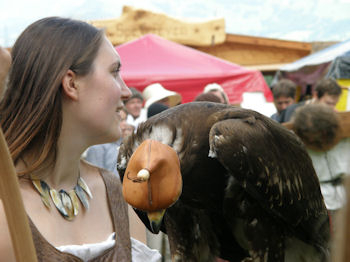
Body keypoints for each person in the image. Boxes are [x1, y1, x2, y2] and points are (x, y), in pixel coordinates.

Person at [0, 17, 160, 262]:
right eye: (114, 72)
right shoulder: (5, 203)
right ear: (71, 83)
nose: (127, 91)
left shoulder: (117, 195)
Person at [292, 104, 350, 232]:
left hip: (345, 192)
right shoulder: (296, 142)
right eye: (309, 133)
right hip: (320, 200)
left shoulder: (345, 136)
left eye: (318, 133)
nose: (314, 138)